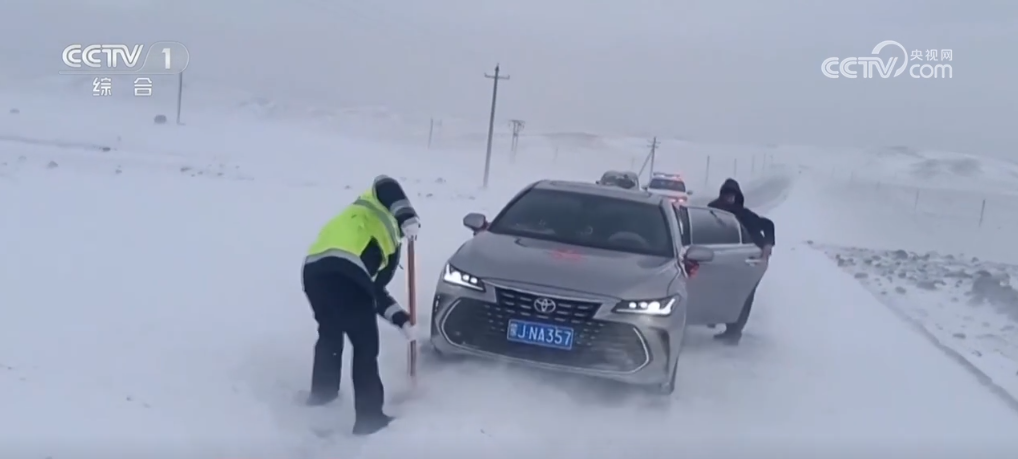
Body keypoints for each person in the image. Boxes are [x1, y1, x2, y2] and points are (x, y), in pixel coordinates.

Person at [302, 175, 421, 436]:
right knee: (366, 347)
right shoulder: (376, 202)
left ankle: (323, 393)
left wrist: (400, 319)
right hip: (346, 272)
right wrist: (406, 214)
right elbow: (386, 183)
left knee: (330, 333)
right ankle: (369, 418)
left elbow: (374, 293)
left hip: (314, 271)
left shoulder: (390, 251)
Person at [707, 178, 775, 344]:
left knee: (744, 295)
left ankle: (733, 332)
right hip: (718, 256)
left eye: (733, 195)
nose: (730, 199)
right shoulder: (712, 212)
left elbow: (768, 225)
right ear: (721, 195)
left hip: (748, 259)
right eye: (727, 194)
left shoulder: (744, 214)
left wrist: (767, 245)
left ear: (738, 197)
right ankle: (713, 318)